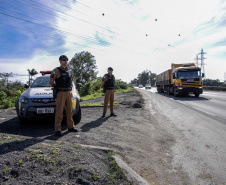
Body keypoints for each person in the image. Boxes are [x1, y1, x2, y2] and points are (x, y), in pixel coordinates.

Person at [49, 55, 78, 136]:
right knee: (59, 111)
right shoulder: (55, 71)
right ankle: (57, 130)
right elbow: (51, 82)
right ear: (60, 61)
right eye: (63, 60)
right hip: (60, 93)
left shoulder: (70, 71)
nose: (65, 61)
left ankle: (71, 126)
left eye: (66, 60)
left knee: (70, 110)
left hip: (69, 92)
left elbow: (72, 80)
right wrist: (57, 87)